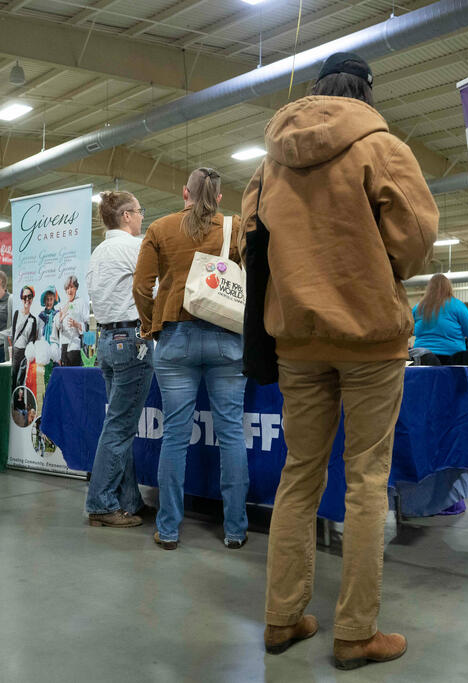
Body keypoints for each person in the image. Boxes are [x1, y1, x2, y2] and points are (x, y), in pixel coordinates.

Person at [239, 52, 438, 669]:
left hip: (297, 342)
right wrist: (376, 273)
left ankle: (282, 617)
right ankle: (355, 633)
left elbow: (249, 242)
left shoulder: (269, 163)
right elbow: (416, 234)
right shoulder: (381, 146)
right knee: (366, 478)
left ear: (317, 89)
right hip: (371, 340)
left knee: (300, 473)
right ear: (366, 91)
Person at [133, 167, 248, 551]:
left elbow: (141, 286)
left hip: (176, 340)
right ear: (218, 197)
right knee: (231, 433)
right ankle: (234, 529)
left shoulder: (161, 228)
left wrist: (152, 327)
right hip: (227, 341)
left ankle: (168, 529)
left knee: (175, 436)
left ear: (185, 192)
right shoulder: (235, 226)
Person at [84, 191, 153, 528]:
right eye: (139, 211)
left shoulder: (98, 252)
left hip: (108, 339)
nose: (141, 217)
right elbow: (152, 289)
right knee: (120, 428)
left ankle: (129, 500)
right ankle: (100, 503)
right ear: (126, 215)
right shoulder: (132, 247)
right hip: (132, 340)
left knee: (118, 424)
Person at [412, 274, 468, 364]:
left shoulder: (418, 307)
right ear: (449, 287)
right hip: (452, 356)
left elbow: (410, 330)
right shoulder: (457, 305)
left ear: (429, 288)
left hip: (422, 356)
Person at [10, 286, 38, 388]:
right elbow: (13, 334)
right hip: (16, 351)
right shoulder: (17, 314)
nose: (27, 299)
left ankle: (21, 402)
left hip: (25, 354)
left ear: (32, 298)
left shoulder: (33, 319)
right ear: (21, 298)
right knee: (13, 379)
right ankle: (13, 401)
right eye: (24, 297)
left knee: (22, 380)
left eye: (29, 297)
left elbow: (32, 339)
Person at [58, 275, 85, 367]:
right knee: (65, 376)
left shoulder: (81, 302)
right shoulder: (62, 305)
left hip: (74, 346)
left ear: (76, 288)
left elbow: (87, 325)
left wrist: (76, 324)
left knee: (74, 375)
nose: (70, 290)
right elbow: (58, 328)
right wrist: (60, 320)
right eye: (68, 288)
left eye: (72, 287)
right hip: (63, 346)